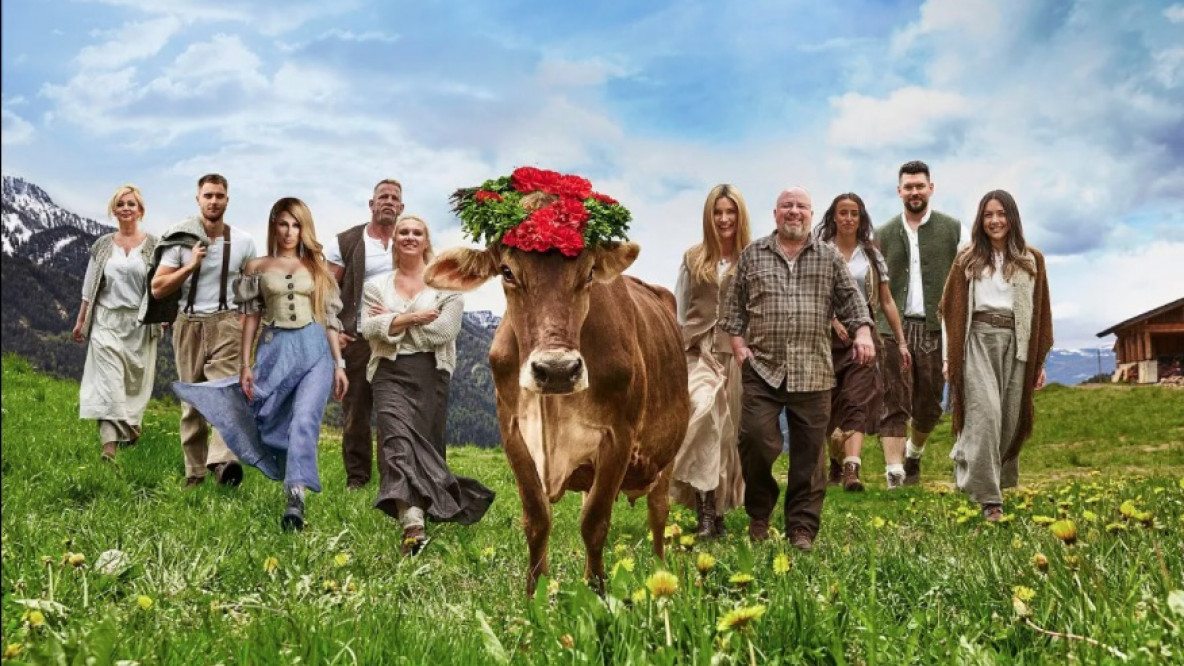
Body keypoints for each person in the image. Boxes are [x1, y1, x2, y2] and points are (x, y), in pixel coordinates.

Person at [173, 198, 348, 530]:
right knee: (265, 416)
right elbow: (250, 318)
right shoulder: (256, 267)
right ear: (273, 225)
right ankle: (240, 463)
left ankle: (296, 499)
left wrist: (339, 364)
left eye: (296, 224)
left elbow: (329, 319)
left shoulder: (318, 270)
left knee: (305, 421)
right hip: (276, 347)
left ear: (304, 228)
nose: (290, 231)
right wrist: (244, 364)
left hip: (315, 351)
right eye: (283, 223)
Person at [720, 187, 875, 551]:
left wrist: (863, 332)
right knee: (756, 440)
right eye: (787, 206)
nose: (794, 212)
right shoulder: (753, 254)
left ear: (811, 214)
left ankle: (801, 529)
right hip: (762, 368)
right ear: (775, 214)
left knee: (809, 455)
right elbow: (732, 309)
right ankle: (760, 512)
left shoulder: (829, 257)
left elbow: (851, 300)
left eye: (801, 207)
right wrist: (739, 345)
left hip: (813, 370)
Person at [360, 214, 494, 555]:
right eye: (403, 232)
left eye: (416, 232)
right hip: (389, 370)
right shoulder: (376, 287)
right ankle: (413, 526)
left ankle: (441, 500)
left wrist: (391, 320)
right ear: (394, 240)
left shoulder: (446, 286)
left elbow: (444, 332)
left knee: (426, 449)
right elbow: (367, 328)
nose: (409, 236)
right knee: (396, 441)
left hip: (431, 374)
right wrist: (412, 317)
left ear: (426, 240)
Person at [940, 190, 1052, 521]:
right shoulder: (967, 258)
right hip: (977, 340)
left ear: (1012, 217)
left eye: (1001, 214)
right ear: (980, 220)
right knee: (985, 414)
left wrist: (1038, 361)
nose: (995, 221)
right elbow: (949, 308)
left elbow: (1041, 310)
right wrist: (951, 356)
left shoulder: (1032, 259)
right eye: (988, 215)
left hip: (1017, 342)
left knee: (1009, 417)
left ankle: (979, 471)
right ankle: (990, 499)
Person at [151, 174, 257, 487]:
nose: (213, 201)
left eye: (219, 196)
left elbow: (250, 289)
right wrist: (189, 266)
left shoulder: (244, 241)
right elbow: (158, 288)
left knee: (227, 396)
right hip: (188, 323)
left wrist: (245, 324)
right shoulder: (179, 238)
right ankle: (195, 473)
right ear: (198, 199)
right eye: (208, 195)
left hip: (226, 323)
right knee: (192, 400)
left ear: (228, 200)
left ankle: (223, 463)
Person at [875, 160, 966, 488]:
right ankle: (895, 474)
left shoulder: (952, 228)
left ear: (931, 188)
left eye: (919, 186)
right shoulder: (882, 234)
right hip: (890, 327)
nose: (914, 191)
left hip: (934, 327)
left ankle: (914, 454)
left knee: (929, 404)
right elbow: (875, 284)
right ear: (899, 191)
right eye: (908, 186)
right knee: (892, 399)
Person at [815, 193, 912, 491]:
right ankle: (833, 459)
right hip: (825, 337)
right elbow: (812, 295)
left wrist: (901, 341)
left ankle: (851, 470)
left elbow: (886, 300)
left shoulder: (871, 256)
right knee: (829, 402)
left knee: (856, 400)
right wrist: (833, 321)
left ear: (860, 218)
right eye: (842, 213)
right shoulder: (819, 252)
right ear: (833, 216)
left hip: (864, 336)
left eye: (853, 213)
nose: (848, 219)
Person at [670, 184, 752, 538]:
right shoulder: (693, 258)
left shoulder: (753, 257)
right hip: (698, 351)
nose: (723, 219)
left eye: (730, 212)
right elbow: (679, 307)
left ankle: (716, 513)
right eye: (717, 212)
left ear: (740, 215)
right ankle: (704, 509)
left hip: (737, 355)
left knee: (728, 435)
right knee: (702, 413)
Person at [324, 179, 403, 489]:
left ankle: (392, 477)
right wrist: (333, 331)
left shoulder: (409, 239)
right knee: (357, 411)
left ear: (401, 207)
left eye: (394, 198)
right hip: (357, 339)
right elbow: (326, 293)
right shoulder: (346, 242)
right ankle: (357, 478)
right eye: (382, 196)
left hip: (396, 339)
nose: (388, 201)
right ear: (371, 205)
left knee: (392, 411)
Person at [73, 184, 160, 461]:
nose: (125, 208)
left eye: (131, 204)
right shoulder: (102, 246)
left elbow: (162, 285)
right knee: (108, 384)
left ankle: (131, 430)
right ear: (114, 210)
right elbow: (89, 287)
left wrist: (164, 314)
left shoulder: (154, 246)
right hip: (106, 321)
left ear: (140, 210)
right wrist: (81, 320)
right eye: (120, 204)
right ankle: (108, 450)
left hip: (139, 323)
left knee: (134, 387)